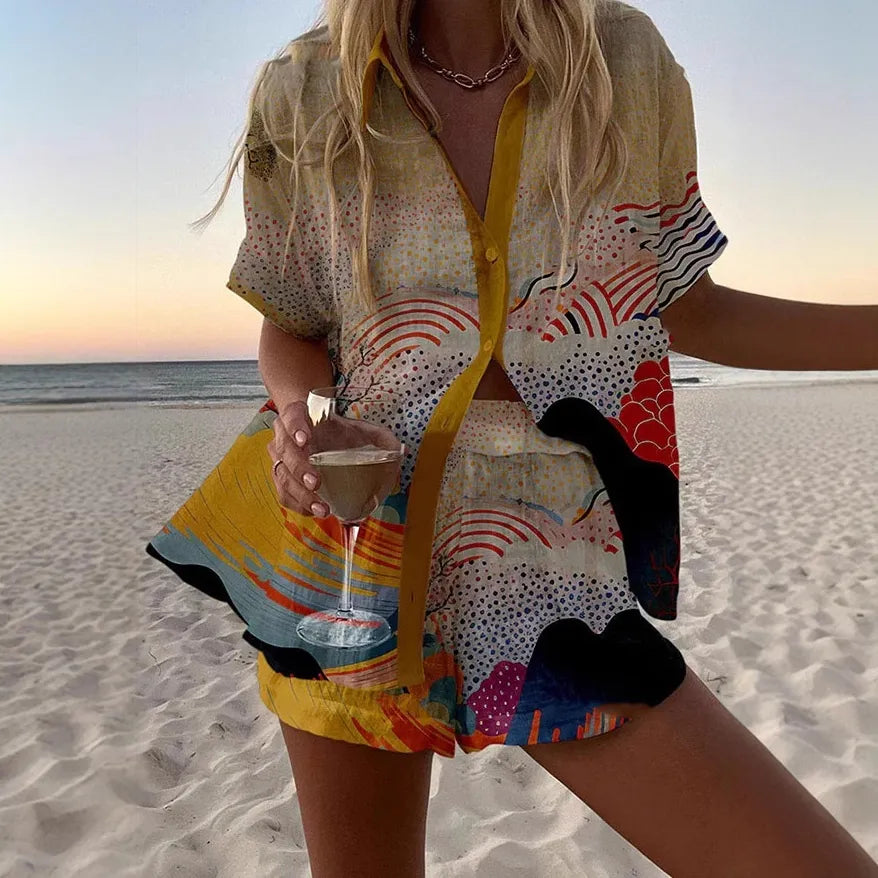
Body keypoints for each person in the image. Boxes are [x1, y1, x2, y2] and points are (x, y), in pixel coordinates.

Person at [146, 0, 878, 875]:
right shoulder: (307, 88)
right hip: (351, 563)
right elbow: (292, 322)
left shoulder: (625, 64)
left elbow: (689, 307)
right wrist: (299, 418)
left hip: (558, 570)